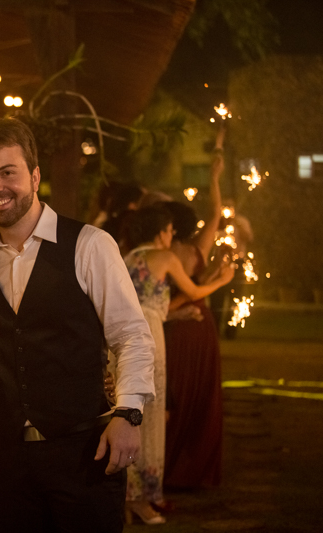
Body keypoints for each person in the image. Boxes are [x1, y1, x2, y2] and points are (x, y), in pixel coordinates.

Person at [0, 117, 155, 533]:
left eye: (7, 173)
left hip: (84, 450)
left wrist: (129, 414)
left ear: (35, 176)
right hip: (8, 457)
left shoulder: (89, 244)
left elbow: (131, 335)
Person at [122, 206, 234, 524]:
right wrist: (222, 280)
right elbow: (195, 291)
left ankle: (129, 497)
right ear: (160, 233)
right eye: (170, 231)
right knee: (153, 418)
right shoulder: (165, 257)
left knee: (131, 414)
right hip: (150, 340)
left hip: (126, 335)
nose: (172, 237)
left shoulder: (127, 259)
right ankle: (145, 499)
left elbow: (149, 306)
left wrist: (177, 315)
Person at [162, 152, 229, 489]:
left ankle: (174, 467)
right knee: (196, 396)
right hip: (198, 326)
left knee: (181, 394)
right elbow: (216, 214)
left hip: (180, 329)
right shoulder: (192, 250)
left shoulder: (164, 253)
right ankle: (191, 469)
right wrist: (214, 180)